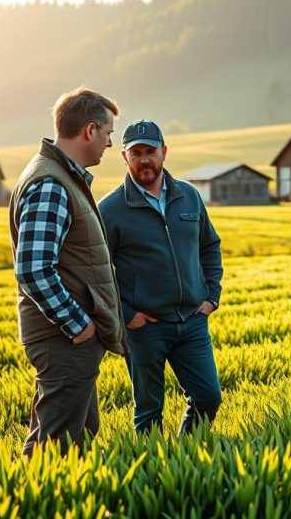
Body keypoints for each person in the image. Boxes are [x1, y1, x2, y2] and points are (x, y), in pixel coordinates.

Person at [9, 86, 127, 456]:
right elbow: (32, 269)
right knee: (55, 447)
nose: (110, 144)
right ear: (90, 130)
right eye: (108, 133)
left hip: (66, 338)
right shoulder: (51, 184)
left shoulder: (58, 175)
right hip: (64, 338)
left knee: (78, 437)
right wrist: (80, 326)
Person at [99, 119, 224, 435]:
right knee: (148, 412)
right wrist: (127, 314)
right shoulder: (111, 209)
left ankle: (186, 454)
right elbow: (99, 271)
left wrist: (211, 296)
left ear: (164, 152)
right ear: (125, 157)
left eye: (150, 151)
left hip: (192, 322)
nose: (144, 160)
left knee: (208, 397)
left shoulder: (189, 196)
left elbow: (210, 246)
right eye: (136, 153)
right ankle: (155, 473)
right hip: (145, 329)